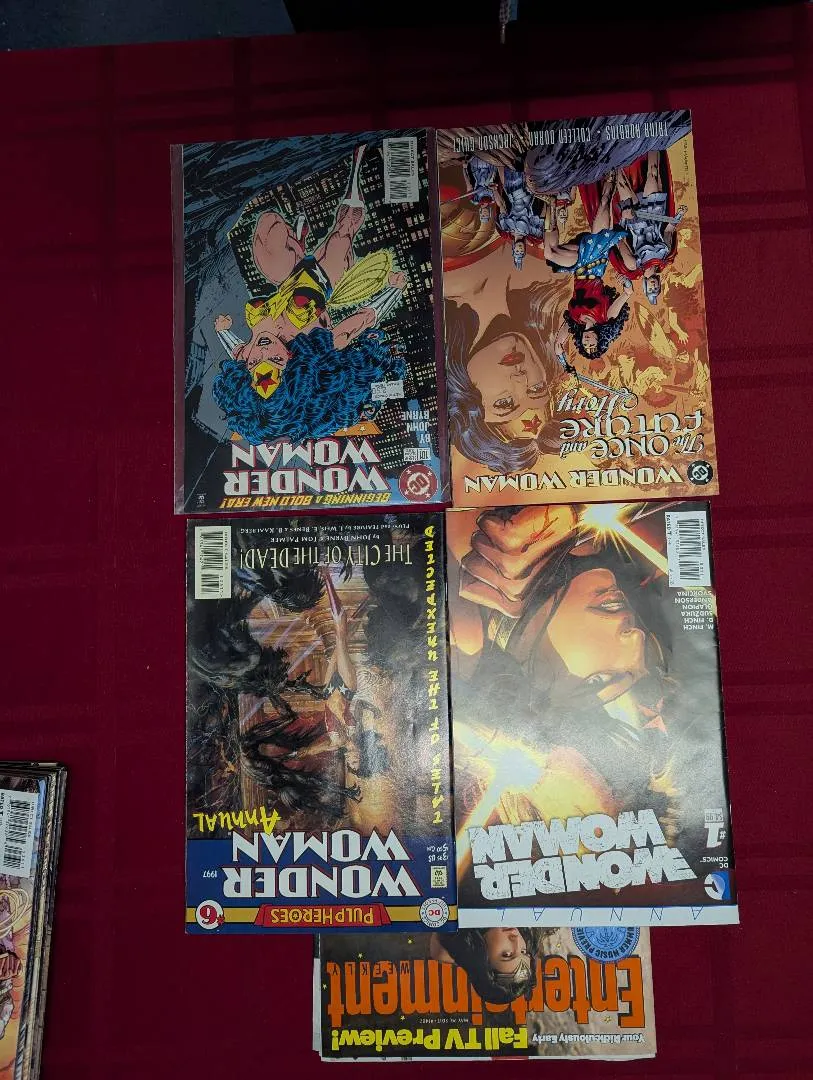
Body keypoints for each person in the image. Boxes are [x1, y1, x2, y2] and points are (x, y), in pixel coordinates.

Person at [445, 282, 563, 476]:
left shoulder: (443, 295)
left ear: (465, 396)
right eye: (536, 389)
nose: (521, 379)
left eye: (505, 403)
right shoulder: (547, 280)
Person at [544, 169, 632, 363]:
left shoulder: (574, 320)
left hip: (578, 268)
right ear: (600, 340)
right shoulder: (605, 317)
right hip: (595, 260)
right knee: (604, 203)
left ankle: (550, 203)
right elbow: (628, 293)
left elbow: (558, 344)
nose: (588, 342)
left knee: (550, 253)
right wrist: (626, 283)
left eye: (586, 346)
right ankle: (612, 172)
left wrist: (564, 363)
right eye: (593, 345)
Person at [613, 151, 686, 305]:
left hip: (633, 219)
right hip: (654, 213)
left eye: (651, 289)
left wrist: (624, 219)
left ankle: (612, 151)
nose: (654, 286)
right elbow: (668, 230)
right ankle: (654, 141)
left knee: (621, 180)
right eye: (656, 288)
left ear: (646, 287)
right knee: (653, 172)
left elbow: (619, 240)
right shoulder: (665, 256)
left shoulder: (634, 266)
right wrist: (679, 215)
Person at [430, 927, 547, 1004]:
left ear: (482, 958)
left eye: (507, 954)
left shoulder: (444, 947)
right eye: (523, 952)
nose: (516, 939)